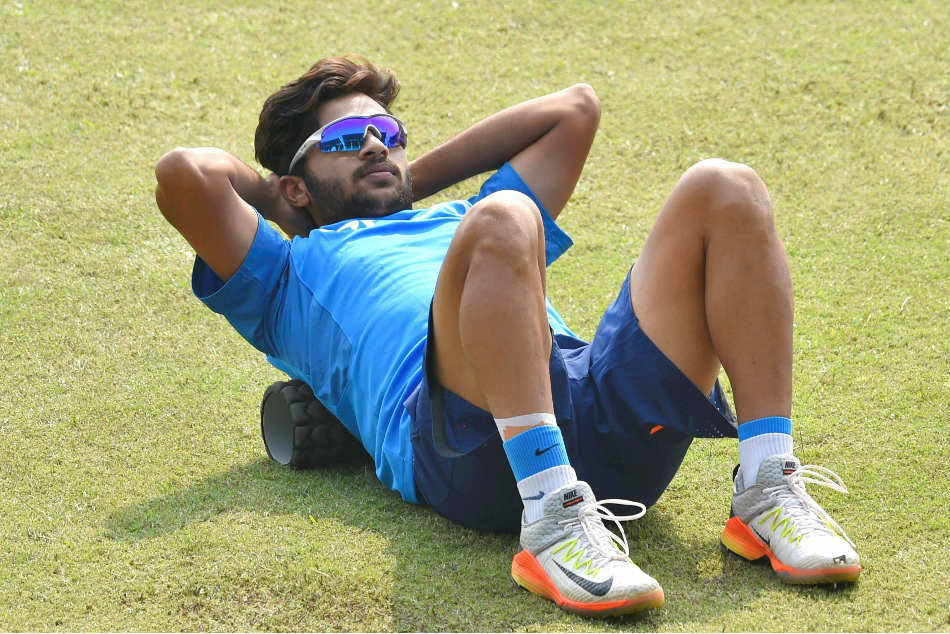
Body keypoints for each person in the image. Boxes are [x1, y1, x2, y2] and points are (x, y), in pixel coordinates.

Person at [154, 55, 861, 617]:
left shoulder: (459, 217)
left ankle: (767, 485)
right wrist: (296, 207)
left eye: (388, 134)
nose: (374, 144)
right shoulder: (284, 274)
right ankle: (552, 520)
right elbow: (186, 174)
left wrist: (399, 179)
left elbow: (574, 109)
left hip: (593, 411)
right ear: (295, 186)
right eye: (344, 141)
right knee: (506, 215)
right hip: (461, 446)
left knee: (726, 184)